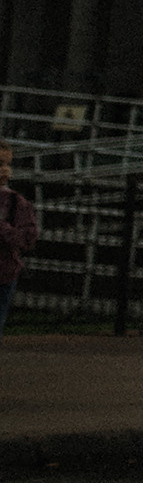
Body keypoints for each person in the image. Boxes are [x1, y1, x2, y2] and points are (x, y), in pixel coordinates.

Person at [0, 145, 34, 340]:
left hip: (3, 274)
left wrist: (4, 229)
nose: (4, 170)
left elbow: (27, 237)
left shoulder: (15, 202)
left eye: (7, 164)